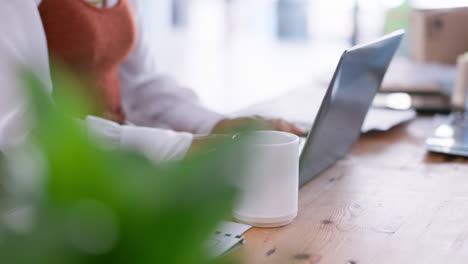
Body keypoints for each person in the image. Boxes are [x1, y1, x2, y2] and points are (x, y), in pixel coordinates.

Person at [0, 0, 304, 163]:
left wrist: (218, 125)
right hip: (50, 185)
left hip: (117, 160)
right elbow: (26, 129)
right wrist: (184, 148)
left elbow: (141, 86)